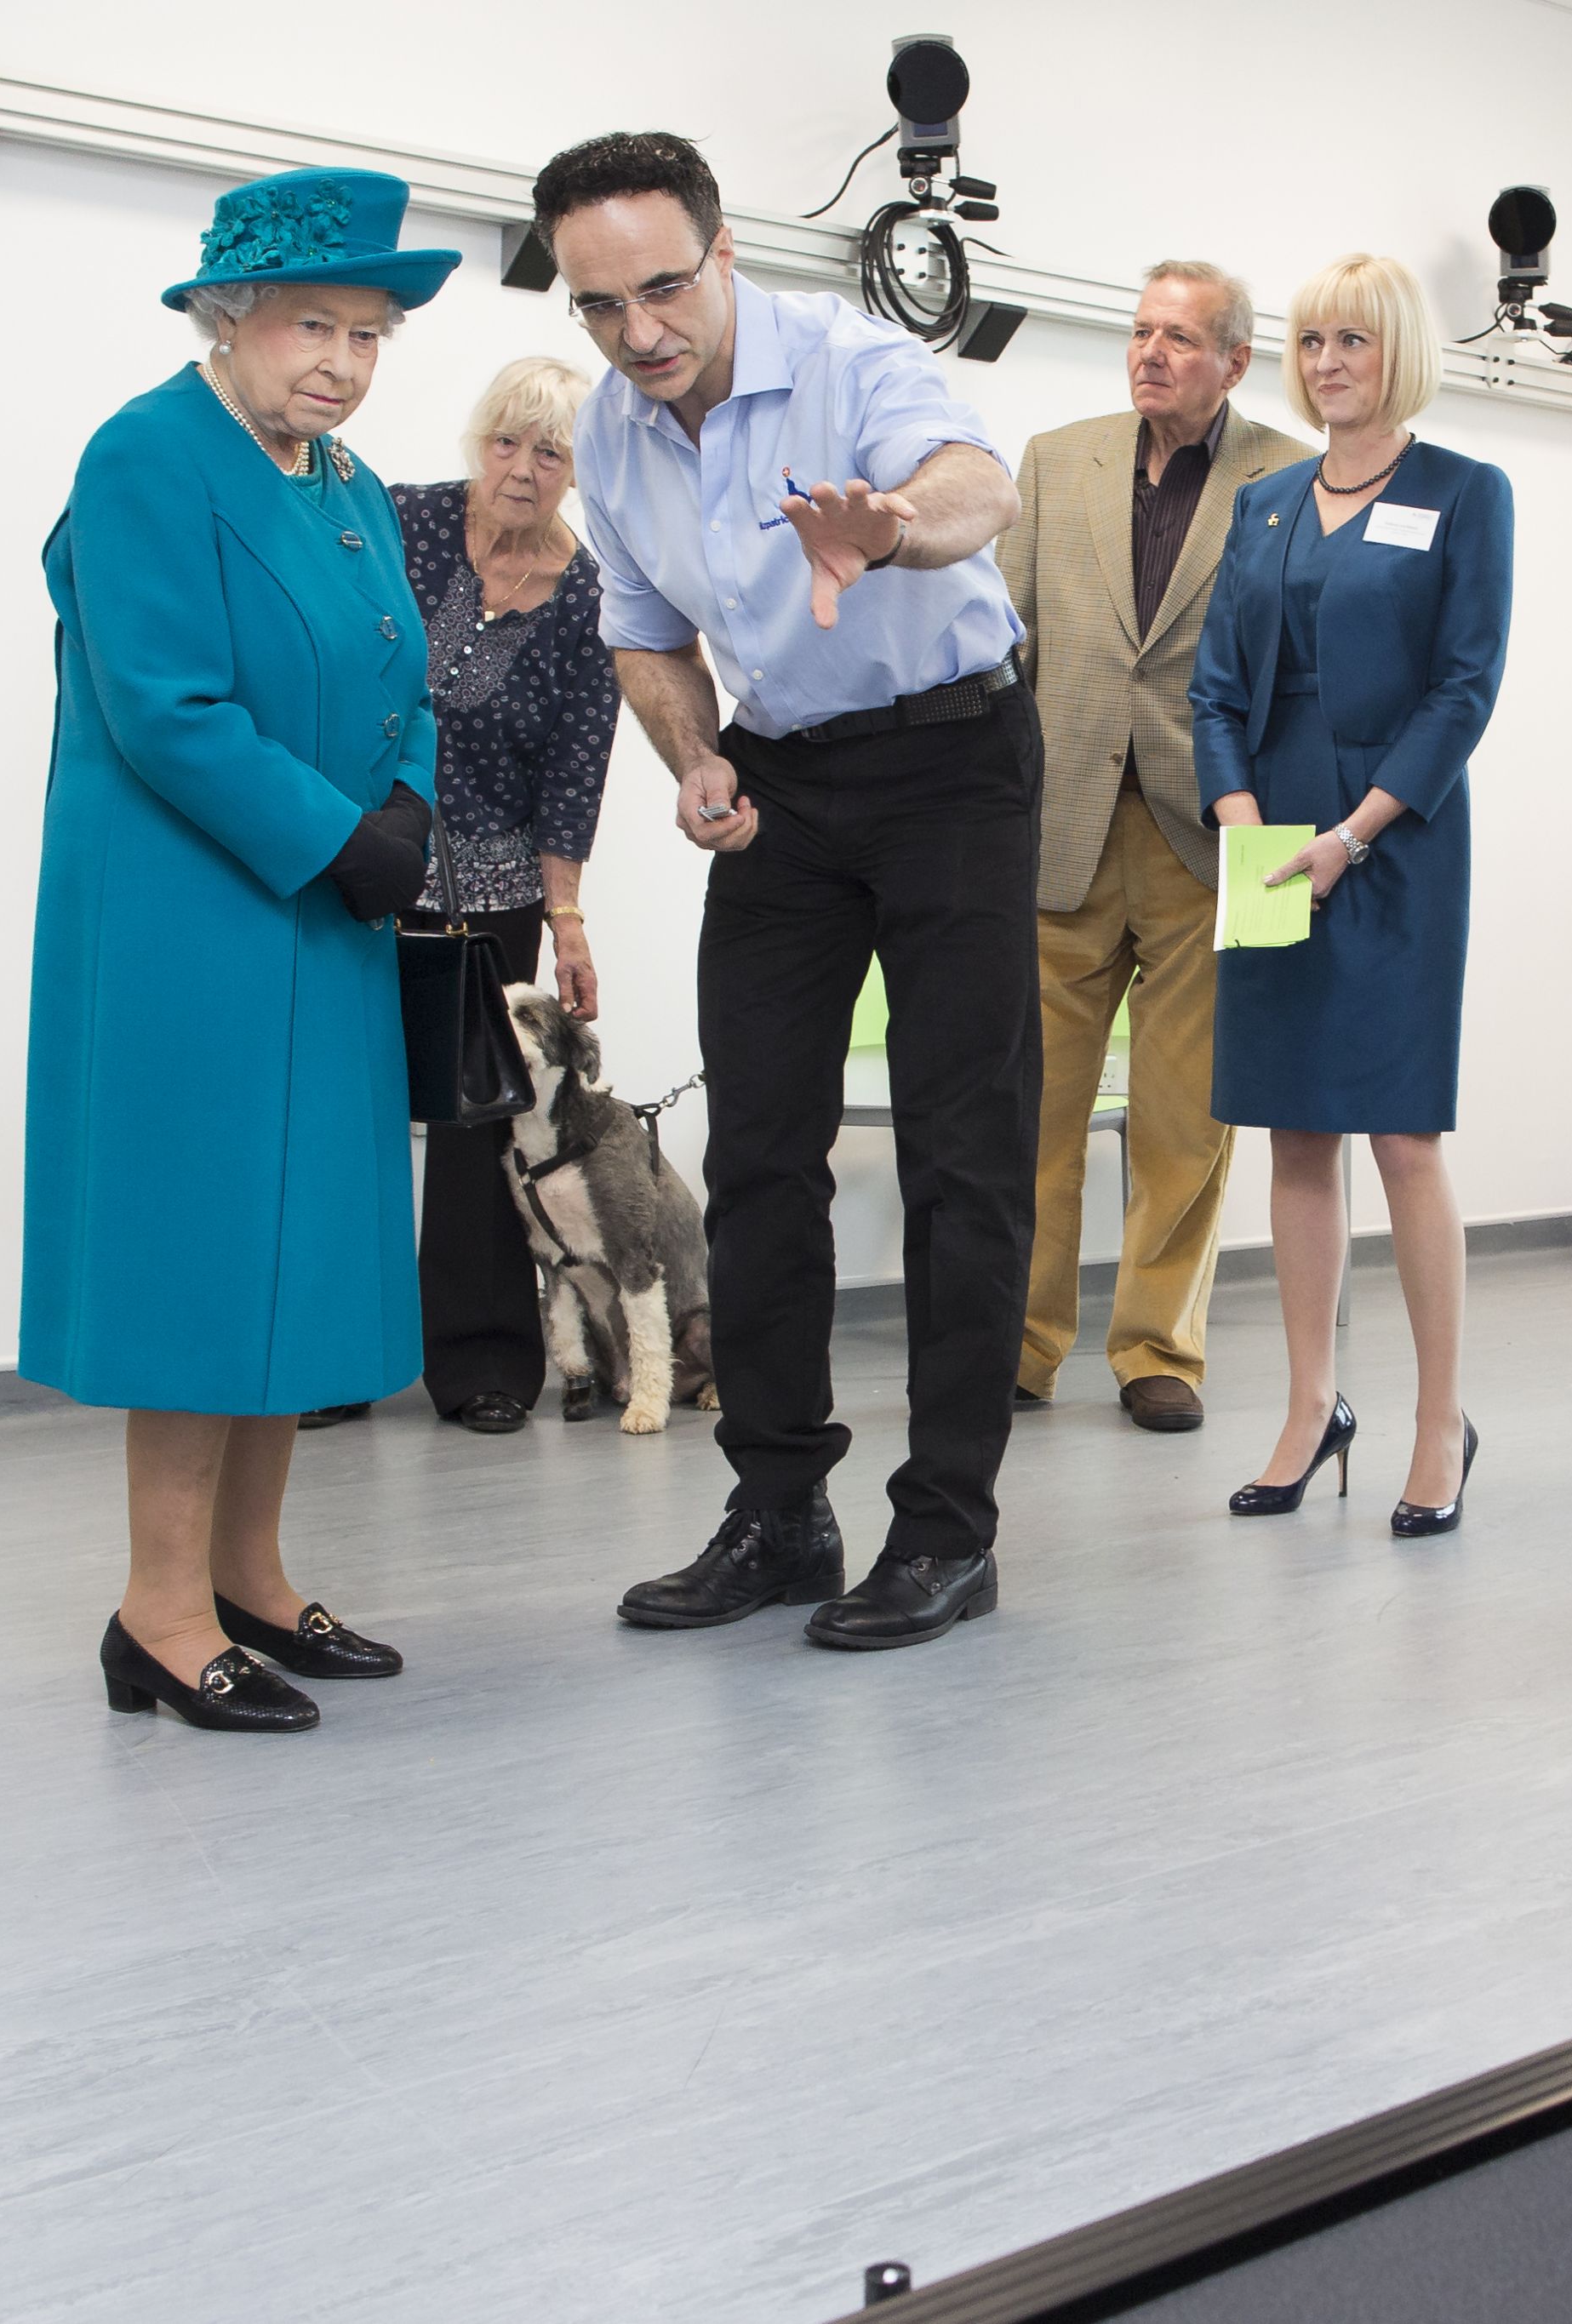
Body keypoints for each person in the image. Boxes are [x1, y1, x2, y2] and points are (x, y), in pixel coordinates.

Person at [533, 131, 1037, 1653]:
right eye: (601, 306)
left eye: (665, 289)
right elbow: (640, 632)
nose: (641, 333)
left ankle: (947, 1528)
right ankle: (779, 1508)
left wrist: (880, 525)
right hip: (785, 783)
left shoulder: (854, 360)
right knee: (755, 1151)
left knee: (961, 1155)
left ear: (724, 247)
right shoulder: (612, 436)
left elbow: (977, 490)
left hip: (954, 758)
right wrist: (691, 756)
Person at [25, 168, 459, 1733]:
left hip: (323, 915)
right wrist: (337, 837)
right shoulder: (147, 456)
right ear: (229, 317)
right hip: (191, 922)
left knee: (306, 1248)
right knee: (207, 1254)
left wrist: (404, 803)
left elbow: (406, 670)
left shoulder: (341, 480)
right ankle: (155, 1609)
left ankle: (252, 1578)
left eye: (369, 332)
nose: (344, 359)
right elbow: (166, 706)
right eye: (314, 326)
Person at [1189, 254, 1513, 1537]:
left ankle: (1443, 1419)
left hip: (1397, 838)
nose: (1329, 362)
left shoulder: (1463, 494)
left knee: (1401, 1135)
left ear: (1399, 355)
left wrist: (1355, 832)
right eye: (1313, 340)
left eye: (1355, 342)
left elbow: (1464, 687)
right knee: (1292, 1127)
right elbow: (1214, 685)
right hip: (1267, 837)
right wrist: (1246, 823)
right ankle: (1312, 1403)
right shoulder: (1263, 503)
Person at [1000, 265, 1310, 1433]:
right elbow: (1003, 647)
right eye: (1140, 332)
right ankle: (1021, 1344)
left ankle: (1156, 1347)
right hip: (1059, 830)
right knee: (1029, 1109)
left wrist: (1285, 856)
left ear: (1234, 361)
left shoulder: (1289, 474)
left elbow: (1303, 678)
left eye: (1181, 338)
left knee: (1190, 1116)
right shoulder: (1052, 458)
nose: (1152, 354)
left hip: (1217, 834)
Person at [302, 356, 620, 1436]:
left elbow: (576, 771)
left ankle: (483, 1363)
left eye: (550, 451)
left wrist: (566, 919)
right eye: (505, 443)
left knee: (482, 1131)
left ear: (580, 469)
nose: (522, 470)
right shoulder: (398, 522)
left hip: (491, 895)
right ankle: (332, 1359)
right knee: (345, 1115)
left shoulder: (589, 597)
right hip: (357, 865)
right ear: (475, 443)